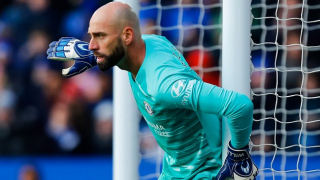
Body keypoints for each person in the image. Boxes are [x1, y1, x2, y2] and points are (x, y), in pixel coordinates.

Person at [46, 2, 258, 180]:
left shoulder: (164, 85)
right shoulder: (149, 43)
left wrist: (238, 154)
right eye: (91, 36)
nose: (91, 45)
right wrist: (93, 56)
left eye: (100, 36)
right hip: (174, 169)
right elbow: (123, 51)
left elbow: (239, 105)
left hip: (202, 172)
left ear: (127, 36)